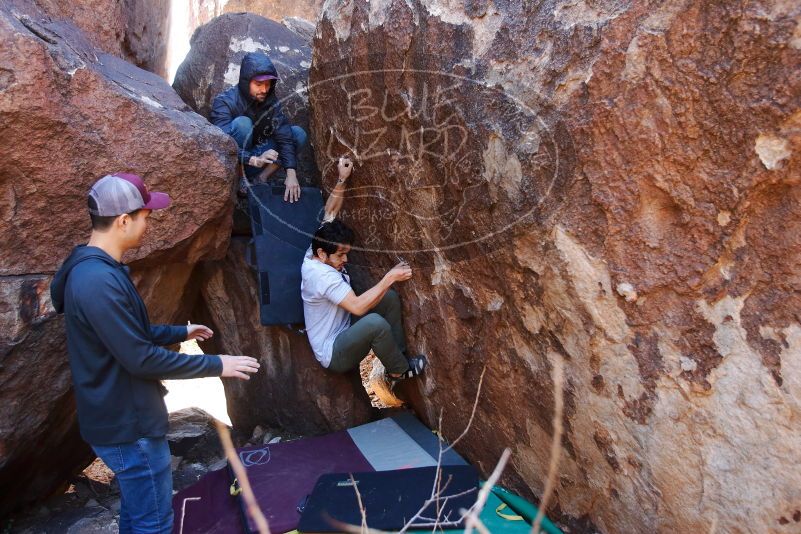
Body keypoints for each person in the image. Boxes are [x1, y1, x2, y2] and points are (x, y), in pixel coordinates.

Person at [50, 173, 260, 534]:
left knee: (137, 516)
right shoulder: (97, 281)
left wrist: (181, 331)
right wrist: (217, 364)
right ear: (123, 220)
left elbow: (128, 335)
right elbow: (139, 358)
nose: (149, 222)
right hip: (128, 426)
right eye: (146, 215)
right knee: (155, 524)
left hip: (120, 418)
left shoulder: (95, 269)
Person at [301, 157, 428, 380]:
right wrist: (390, 277)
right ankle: (398, 371)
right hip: (334, 353)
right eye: (341, 255)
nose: (345, 259)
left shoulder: (316, 250)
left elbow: (330, 212)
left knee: (387, 299)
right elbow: (358, 308)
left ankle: (396, 355)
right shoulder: (321, 277)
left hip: (344, 327)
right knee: (374, 323)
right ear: (323, 254)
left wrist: (342, 179)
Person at [210, 51, 306, 202]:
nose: (264, 89)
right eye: (259, 84)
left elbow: (285, 136)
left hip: (259, 158)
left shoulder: (271, 102)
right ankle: (241, 181)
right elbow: (221, 145)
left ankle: (260, 179)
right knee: (242, 124)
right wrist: (253, 159)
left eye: (268, 84)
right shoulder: (224, 102)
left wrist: (291, 174)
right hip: (236, 162)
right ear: (245, 81)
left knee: (297, 134)